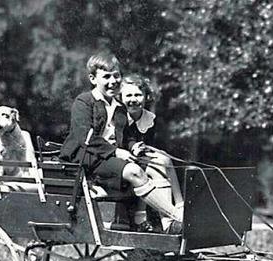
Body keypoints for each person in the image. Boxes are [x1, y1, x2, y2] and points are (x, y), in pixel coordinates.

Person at [60, 52, 182, 233]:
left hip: (109, 159)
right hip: (86, 158)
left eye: (116, 75)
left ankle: (168, 225)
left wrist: (133, 146)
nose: (113, 81)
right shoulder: (84, 102)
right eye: (106, 77)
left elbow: (126, 134)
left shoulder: (118, 107)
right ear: (93, 79)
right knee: (134, 171)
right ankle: (177, 217)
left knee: (158, 165)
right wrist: (116, 152)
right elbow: (85, 138)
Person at [119, 73, 184, 232]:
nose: (133, 99)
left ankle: (176, 208)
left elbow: (150, 142)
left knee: (164, 160)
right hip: (123, 158)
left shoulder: (149, 118)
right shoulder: (119, 117)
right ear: (120, 97)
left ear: (146, 97)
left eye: (138, 95)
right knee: (156, 166)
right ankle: (157, 216)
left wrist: (146, 149)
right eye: (128, 95)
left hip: (140, 157)